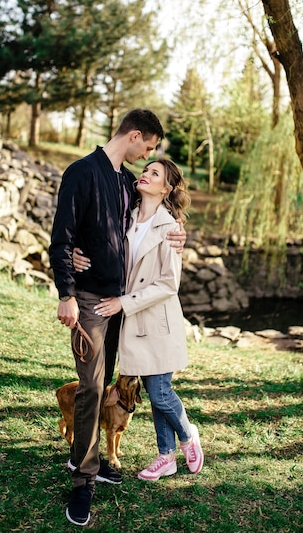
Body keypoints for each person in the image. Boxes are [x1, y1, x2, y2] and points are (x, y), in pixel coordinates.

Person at [49, 109, 186, 527]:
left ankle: (84, 459)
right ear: (136, 136)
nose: (148, 156)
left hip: (121, 305)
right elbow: (62, 236)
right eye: (148, 147)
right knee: (90, 387)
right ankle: (84, 482)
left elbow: (147, 224)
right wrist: (67, 293)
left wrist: (177, 231)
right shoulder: (81, 172)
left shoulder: (128, 182)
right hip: (88, 303)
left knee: (105, 384)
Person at [93, 158, 204, 482]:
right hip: (132, 321)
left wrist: (123, 303)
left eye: (154, 173)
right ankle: (166, 456)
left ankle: (186, 436)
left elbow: (169, 284)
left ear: (166, 188)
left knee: (159, 393)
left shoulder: (170, 228)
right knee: (156, 389)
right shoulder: (126, 215)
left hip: (156, 320)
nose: (145, 174)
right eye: (146, 169)